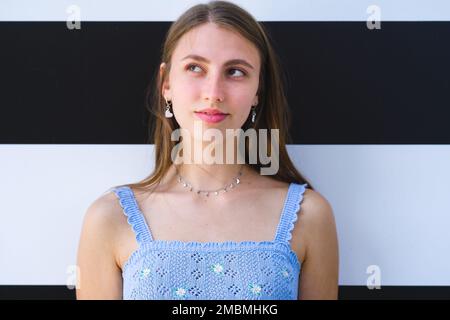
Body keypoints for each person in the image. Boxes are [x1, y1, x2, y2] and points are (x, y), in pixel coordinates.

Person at [76, 0, 339, 300]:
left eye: (236, 72)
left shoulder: (310, 216)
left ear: (258, 92)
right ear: (166, 84)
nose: (213, 93)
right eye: (195, 68)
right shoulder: (109, 218)